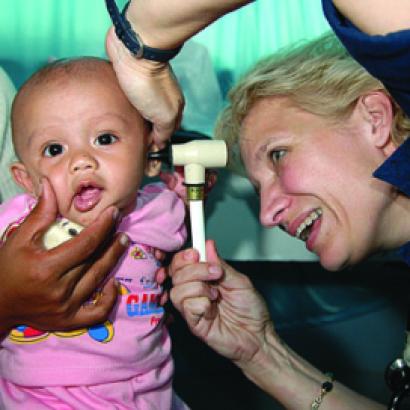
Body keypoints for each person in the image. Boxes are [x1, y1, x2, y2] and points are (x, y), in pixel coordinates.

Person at [0, 57, 188, 409]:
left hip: (145, 390)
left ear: (149, 157)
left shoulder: (157, 210)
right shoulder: (15, 226)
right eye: (54, 149)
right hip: (40, 396)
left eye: (104, 138)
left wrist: (193, 183)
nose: (81, 160)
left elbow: (182, 196)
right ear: (25, 180)